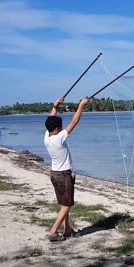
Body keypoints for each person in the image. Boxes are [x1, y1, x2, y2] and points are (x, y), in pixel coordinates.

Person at [44, 97, 90, 241]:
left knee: (65, 202)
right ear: (57, 129)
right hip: (64, 175)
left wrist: (55, 106)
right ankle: (53, 232)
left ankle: (67, 230)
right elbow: (74, 121)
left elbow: (51, 119)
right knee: (67, 204)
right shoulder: (59, 138)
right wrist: (81, 105)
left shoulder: (47, 136)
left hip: (54, 174)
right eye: (61, 127)